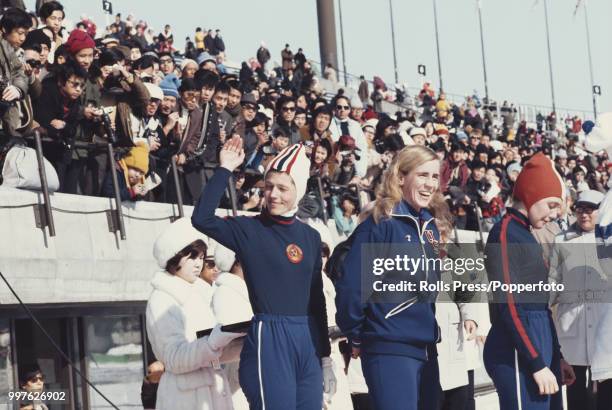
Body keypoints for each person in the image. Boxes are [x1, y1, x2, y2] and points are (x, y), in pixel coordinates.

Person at [191, 137, 337, 409]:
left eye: (283, 188)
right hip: (270, 339)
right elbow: (201, 218)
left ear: (299, 190)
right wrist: (225, 170)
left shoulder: (310, 237)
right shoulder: (249, 230)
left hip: (307, 340)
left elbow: (316, 300)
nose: (273, 194)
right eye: (269, 186)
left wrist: (325, 357)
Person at [335, 145, 451, 410]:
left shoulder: (430, 227)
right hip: (389, 347)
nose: (430, 184)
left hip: (426, 347)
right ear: (400, 177)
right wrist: (357, 335)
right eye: (422, 175)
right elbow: (352, 289)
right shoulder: (380, 224)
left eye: (435, 176)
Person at [484, 153, 576, 410]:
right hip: (518, 355)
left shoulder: (525, 233)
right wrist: (536, 362)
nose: (555, 214)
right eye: (551, 205)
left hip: (539, 351)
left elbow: (541, 307)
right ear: (531, 194)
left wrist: (556, 356)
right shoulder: (505, 233)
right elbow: (509, 305)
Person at [146, 217, 244, 410]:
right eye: (192, 256)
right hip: (185, 399)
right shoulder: (162, 299)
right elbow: (173, 357)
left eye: (201, 257)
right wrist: (215, 341)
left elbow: (212, 351)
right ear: (174, 257)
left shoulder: (198, 294)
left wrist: (245, 344)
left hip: (210, 393)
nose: (198, 264)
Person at [549, 189, 610, 410]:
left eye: (590, 209)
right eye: (580, 209)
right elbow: (553, 279)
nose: (584, 214)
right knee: (574, 387)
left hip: (603, 324)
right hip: (572, 324)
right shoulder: (562, 240)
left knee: (606, 385)